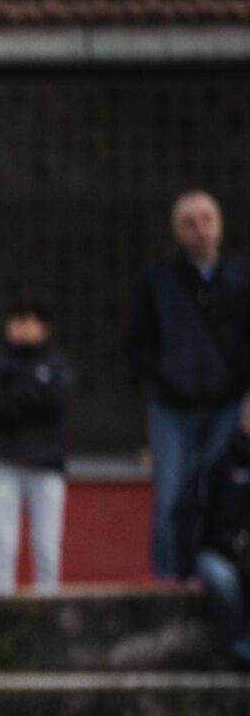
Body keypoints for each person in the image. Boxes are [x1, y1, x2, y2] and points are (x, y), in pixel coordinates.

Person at [126, 190, 250, 579]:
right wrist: (165, 375)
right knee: (169, 498)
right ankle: (169, 585)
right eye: (189, 222)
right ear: (176, 232)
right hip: (171, 409)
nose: (200, 229)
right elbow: (135, 344)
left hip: (227, 406)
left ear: (221, 225)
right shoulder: (157, 280)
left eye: (207, 219)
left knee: (221, 493)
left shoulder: (242, 279)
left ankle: (218, 577)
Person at [0, 299, 75, 593]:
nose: (21, 329)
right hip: (5, 461)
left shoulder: (56, 365)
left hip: (46, 464)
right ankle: (0, 602)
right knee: (2, 543)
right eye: (16, 322)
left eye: (28, 322)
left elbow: (56, 403)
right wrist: (31, 396)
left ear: (43, 327)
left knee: (46, 545)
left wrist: (17, 396)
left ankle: (48, 602)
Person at [174, 393, 250, 668]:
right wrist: (186, 570)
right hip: (218, 554)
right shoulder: (218, 458)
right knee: (220, 577)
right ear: (243, 419)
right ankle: (242, 643)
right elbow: (187, 511)